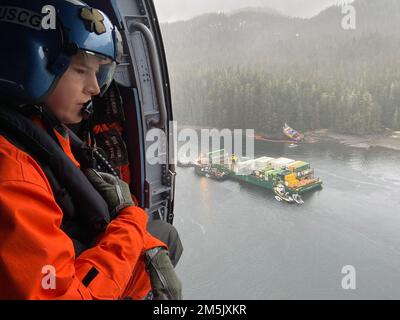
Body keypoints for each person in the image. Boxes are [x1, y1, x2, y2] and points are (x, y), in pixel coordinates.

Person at [0, 0, 182, 300]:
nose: (95, 88)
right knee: (165, 237)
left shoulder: (38, 125)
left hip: (73, 252)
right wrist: (132, 221)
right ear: (31, 61)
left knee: (163, 236)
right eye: (81, 70)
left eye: (98, 73)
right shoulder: (14, 174)